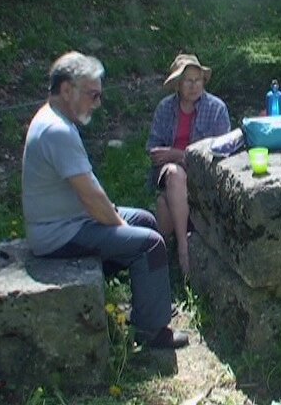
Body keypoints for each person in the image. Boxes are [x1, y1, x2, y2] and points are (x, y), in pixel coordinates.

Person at [21, 51, 187, 348]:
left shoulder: (55, 120)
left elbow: (89, 193)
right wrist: (118, 224)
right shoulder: (57, 131)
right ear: (67, 90)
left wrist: (116, 221)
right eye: (92, 95)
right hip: (58, 234)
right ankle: (153, 333)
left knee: (146, 221)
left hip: (70, 221)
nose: (97, 104)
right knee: (149, 243)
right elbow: (91, 196)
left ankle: (143, 304)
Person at [147, 53, 230, 276]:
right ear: (177, 84)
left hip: (203, 176)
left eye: (198, 80)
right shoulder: (165, 108)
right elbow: (154, 151)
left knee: (164, 205)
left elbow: (222, 154)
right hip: (170, 175)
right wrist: (176, 159)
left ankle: (167, 256)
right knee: (174, 175)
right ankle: (184, 250)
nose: (194, 86)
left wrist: (176, 154)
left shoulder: (217, 109)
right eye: (187, 81)